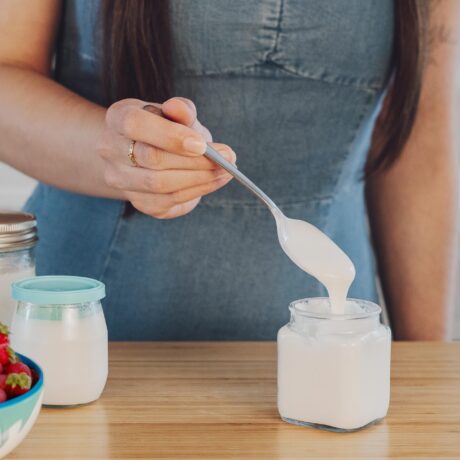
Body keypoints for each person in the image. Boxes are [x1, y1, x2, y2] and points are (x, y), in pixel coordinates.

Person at [0, 0, 458, 340]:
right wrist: (112, 149)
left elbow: (422, 134)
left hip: (338, 342)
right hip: (82, 329)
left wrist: (430, 367)